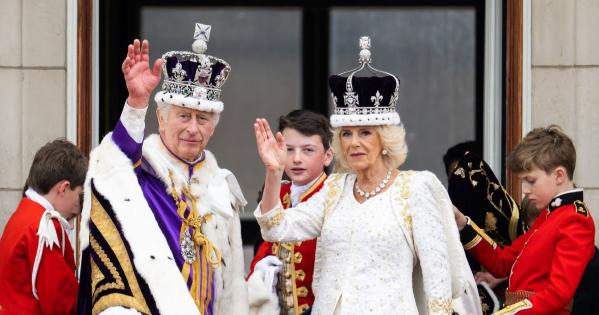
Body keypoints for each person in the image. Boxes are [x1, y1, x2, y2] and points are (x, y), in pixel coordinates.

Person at [254, 36, 480, 315]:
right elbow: (275, 228)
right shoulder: (335, 188)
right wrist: (274, 172)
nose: (353, 143)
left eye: (365, 133)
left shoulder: (415, 189)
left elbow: (438, 281)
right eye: (346, 133)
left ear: (385, 138)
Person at [77, 23, 248, 314]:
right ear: (161, 117)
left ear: (213, 128)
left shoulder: (221, 188)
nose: (193, 128)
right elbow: (114, 164)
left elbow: (231, 285)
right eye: (184, 116)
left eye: (203, 119)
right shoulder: (142, 174)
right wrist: (136, 104)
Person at [454, 125, 596, 314]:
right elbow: (502, 262)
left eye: (531, 180)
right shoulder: (551, 215)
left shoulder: (576, 219)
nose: (525, 190)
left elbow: (557, 294)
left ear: (559, 175)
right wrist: (463, 224)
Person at [247, 110, 334, 315]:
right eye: (288, 149)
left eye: (308, 150)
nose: (296, 159)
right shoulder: (277, 194)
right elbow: (262, 251)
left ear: (327, 156)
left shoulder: (335, 197)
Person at [0, 139, 87, 314]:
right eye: (79, 195)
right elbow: (62, 305)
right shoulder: (45, 225)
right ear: (63, 188)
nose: (79, 204)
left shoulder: (23, 213)